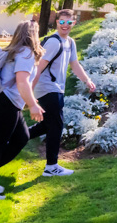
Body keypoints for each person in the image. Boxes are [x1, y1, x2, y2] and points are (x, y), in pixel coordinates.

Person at [0, 21, 44, 201]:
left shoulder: (14, 51)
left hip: (2, 104)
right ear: (33, 34)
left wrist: (30, 101)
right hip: (4, 105)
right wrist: (33, 105)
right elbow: (22, 81)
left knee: (22, 137)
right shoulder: (26, 52)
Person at [28, 9, 95, 177]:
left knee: (48, 125)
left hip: (56, 88)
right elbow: (38, 68)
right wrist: (29, 98)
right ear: (57, 22)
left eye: (69, 22)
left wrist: (87, 80)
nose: (65, 25)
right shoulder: (53, 43)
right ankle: (51, 167)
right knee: (56, 126)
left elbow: (75, 64)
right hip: (47, 89)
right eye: (62, 22)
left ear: (73, 23)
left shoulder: (70, 42)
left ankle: (14, 136)